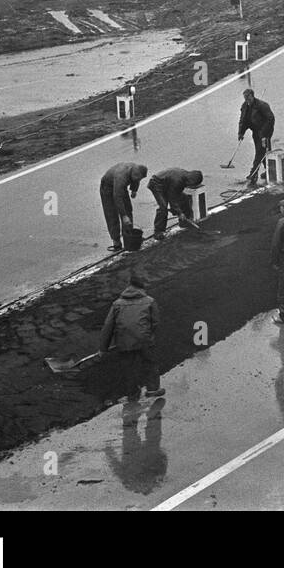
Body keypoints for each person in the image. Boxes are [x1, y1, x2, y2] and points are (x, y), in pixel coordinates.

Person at [99, 271, 163, 400]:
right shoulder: (149, 301)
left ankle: (132, 394)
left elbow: (108, 326)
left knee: (129, 368)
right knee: (149, 363)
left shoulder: (117, 304)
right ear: (141, 287)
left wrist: (103, 348)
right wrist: (149, 336)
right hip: (144, 340)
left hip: (124, 341)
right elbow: (155, 322)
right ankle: (153, 389)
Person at [100, 162, 148, 251]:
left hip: (121, 187)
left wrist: (134, 190)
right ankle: (116, 242)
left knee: (128, 210)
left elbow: (136, 180)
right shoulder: (121, 177)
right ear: (133, 174)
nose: (138, 180)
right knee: (112, 214)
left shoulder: (136, 169)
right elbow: (117, 197)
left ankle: (128, 239)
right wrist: (124, 215)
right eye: (137, 178)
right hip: (107, 188)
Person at [147, 168, 203, 238]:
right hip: (156, 184)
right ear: (191, 180)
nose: (192, 186)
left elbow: (175, 194)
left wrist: (178, 211)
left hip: (167, 184)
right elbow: (172, 199)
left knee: (184, 198)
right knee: (163, 207)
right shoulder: (178, 181)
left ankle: (184, 222)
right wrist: (179, 212)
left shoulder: (185, 177)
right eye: (193, 184)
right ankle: (158, 232)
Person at [238, 89, 276, 185]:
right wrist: (241, 132)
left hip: (265, 132)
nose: (247, 100)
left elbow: (270, 119)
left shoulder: (262, 106)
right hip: (255, 131)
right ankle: (270, 170)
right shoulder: (245, 106)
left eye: (248, 98)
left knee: (260, 152)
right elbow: (243, 120)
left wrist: (264, 135)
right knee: (263, 151)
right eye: (245, 98)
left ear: (252, 96)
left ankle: (253, 174)